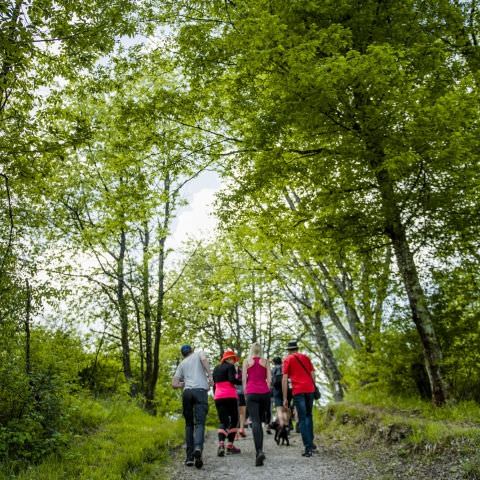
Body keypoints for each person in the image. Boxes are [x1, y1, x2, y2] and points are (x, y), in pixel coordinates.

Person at [172, 344, 213, 469]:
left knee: (189, 424)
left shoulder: (182, 364)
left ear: (182, 354)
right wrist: (210, 376)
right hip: (200, 391)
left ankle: (189, 457)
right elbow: (204, 360)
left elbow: (174, 383)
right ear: (192, 350)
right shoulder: (198, 354)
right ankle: (198, 448)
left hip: (187, 393)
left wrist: (184, 383)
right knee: (200, 423)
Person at [282, 340, 316, 457]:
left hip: (298, 391)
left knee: (302, 418)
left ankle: (308, 448)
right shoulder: (306, 357)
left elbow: (285, 379)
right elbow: (312, 374)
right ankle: (311, 443)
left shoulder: (288, 359)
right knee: (309, 415)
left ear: (289, 350)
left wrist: (285, 397)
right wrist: (313, 387)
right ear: (297, 348)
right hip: (309, 390)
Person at [243, 342, 271, 467]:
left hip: (251, 393)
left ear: (251, 350)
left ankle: (259, 451)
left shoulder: (246, 362)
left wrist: (245, 393)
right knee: (260, 421)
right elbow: (269, 380)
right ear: (260, 350)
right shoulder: (266, 361)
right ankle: (260, 450)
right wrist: (267, 391)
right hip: (264, 393)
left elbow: (244, 379)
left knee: (255, 421)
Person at [213, 349, 242, 456]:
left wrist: (215, 395)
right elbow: (231, 380)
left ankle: (221, 444)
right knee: (234, 419)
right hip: (229, 396)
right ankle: (229, 446)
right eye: (233, 359)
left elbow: (214, 384)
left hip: (218, 396)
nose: (234, 361)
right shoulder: (230, 367)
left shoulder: (216, 368)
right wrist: (242, 381)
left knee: (223, 421)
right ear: (229, 359)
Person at [271, 356, 290, 430]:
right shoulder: (284, 368)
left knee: (279, 409)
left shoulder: (273, 369)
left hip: (276, 390)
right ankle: (286, 424)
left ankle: (281, 425)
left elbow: (272, 380)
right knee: (286, 408)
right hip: (285, 388)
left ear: (274, 362)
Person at [234, 362, 247, 438]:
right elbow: (245, 383)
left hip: (233, 394)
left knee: (235, 414)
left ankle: (235, 433)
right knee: (242, 413)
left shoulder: (229, 372)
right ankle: (241, 429)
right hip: (242, 394)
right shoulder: (242, 373)